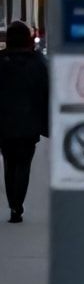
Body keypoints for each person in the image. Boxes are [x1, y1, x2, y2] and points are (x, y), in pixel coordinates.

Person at [0, 19, 49, 222]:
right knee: (24, 163)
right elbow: (46, 90)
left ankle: (13, 202)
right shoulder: (37, 61)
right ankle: (17, 203)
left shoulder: (1, 60)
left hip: (4, 122)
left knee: (9, 163)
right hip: (30, 121)